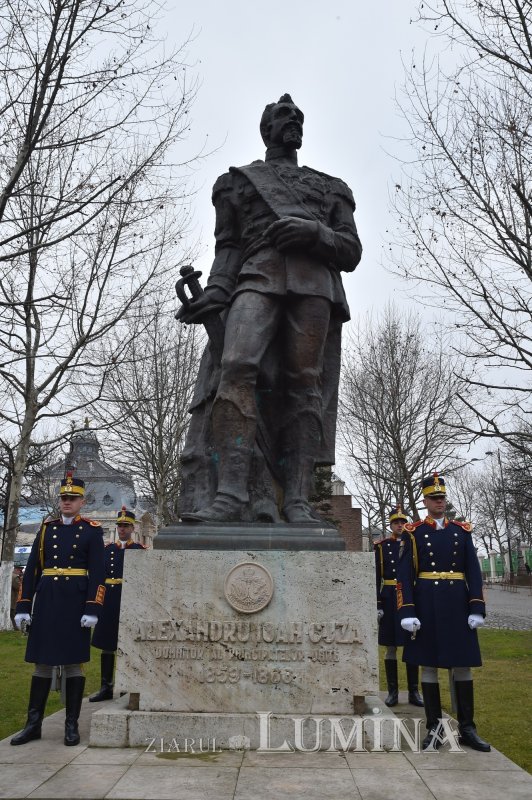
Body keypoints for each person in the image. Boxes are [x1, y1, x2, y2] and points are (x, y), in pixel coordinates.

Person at [179, 93, 362, 524]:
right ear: (267, 129)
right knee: (236, 367)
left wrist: (313, 232)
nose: (292, 120)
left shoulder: (331, 187)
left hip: (314, 289)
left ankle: (296, 501)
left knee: (305, 385)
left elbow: (351, 251)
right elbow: (228, 248)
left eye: (298, 117)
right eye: (283, 116)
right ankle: (230, 494)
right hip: (256, 279)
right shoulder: (238, 182)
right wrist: (215, 291)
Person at [396, 473, 490, 751]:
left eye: (442, 498)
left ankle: (467, 728)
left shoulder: (462, 532)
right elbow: (404, 575)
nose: (439, 502)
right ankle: (434, 727)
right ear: (425, 501)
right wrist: (406, 612)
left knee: (463, 664)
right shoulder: (414, 534)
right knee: (428, 664)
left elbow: (473, 571)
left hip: (458, 606)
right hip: (427, 605)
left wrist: (477, 607)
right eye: (434, 498)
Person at [11, 474, 105, 746]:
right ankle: (33, 725)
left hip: (75, 604)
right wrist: (24, 605)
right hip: (49, 600)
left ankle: (71, 725)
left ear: (82, 502)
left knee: (74, 663)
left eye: (72, 498)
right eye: (63, 498)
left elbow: (97, 573)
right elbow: (32, 570)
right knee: (41, 662)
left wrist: (93, 607)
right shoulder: (46, 529)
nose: (67, 502)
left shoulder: (91, 531)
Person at [89, 507, 146, 702]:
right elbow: (99, 576)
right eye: (119, 526)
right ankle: (106, 686)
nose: (121, 529)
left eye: (125, 526)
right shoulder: (108, 550)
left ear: (133, 527)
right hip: (108, 600)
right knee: (107, 645)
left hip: (128, 599)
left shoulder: (139, 550)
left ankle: (126, 685)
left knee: (127, 643)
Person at [375, 507, 423, 707]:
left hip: (408, 599)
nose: (400, 525)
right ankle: (393, 692)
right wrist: (377, 603)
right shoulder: (382, 546)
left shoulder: (412, 544)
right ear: (390, 525)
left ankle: (413, 691)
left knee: (412, 644)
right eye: (396, 523)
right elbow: (376, 576)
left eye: (402, 522)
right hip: (389, 598)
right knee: (391, 646)